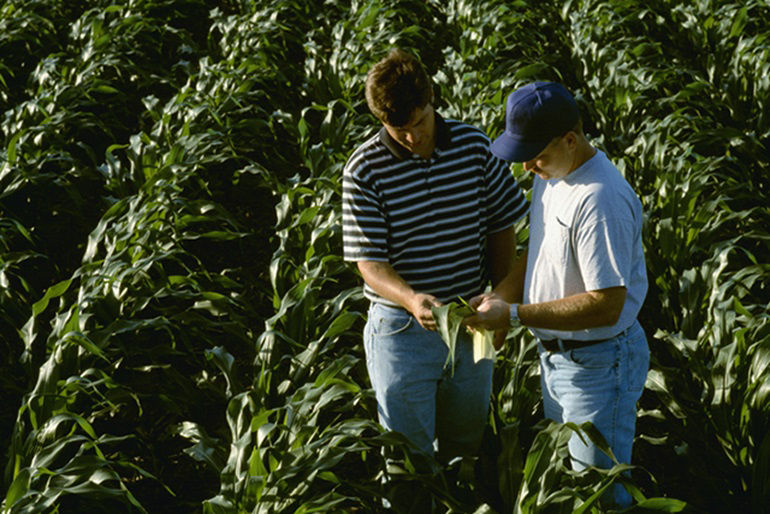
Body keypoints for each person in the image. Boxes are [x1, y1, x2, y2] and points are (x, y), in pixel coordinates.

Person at [464, 81, 650, 508]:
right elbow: (537, 251)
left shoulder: (599, 199)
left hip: (599, 368)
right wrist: (500, 297)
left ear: (571, 139)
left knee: (598, 495)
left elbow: (607, 304)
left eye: (536, 154)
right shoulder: (553, 175)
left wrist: (513, 316)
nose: (528, 166)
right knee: (572, 485)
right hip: (560, 360)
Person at [342, 48, 528, 466]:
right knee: (409, 462)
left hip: (472, 317)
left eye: (419, 122)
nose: (412, 137)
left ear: (433, 100)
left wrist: (501, 300)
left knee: (469, 446)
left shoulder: (476, 147)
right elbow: (369, 263)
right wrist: (410, 298)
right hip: (402, 331)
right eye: (398, 129)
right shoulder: (363, 169)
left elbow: (501, 228)